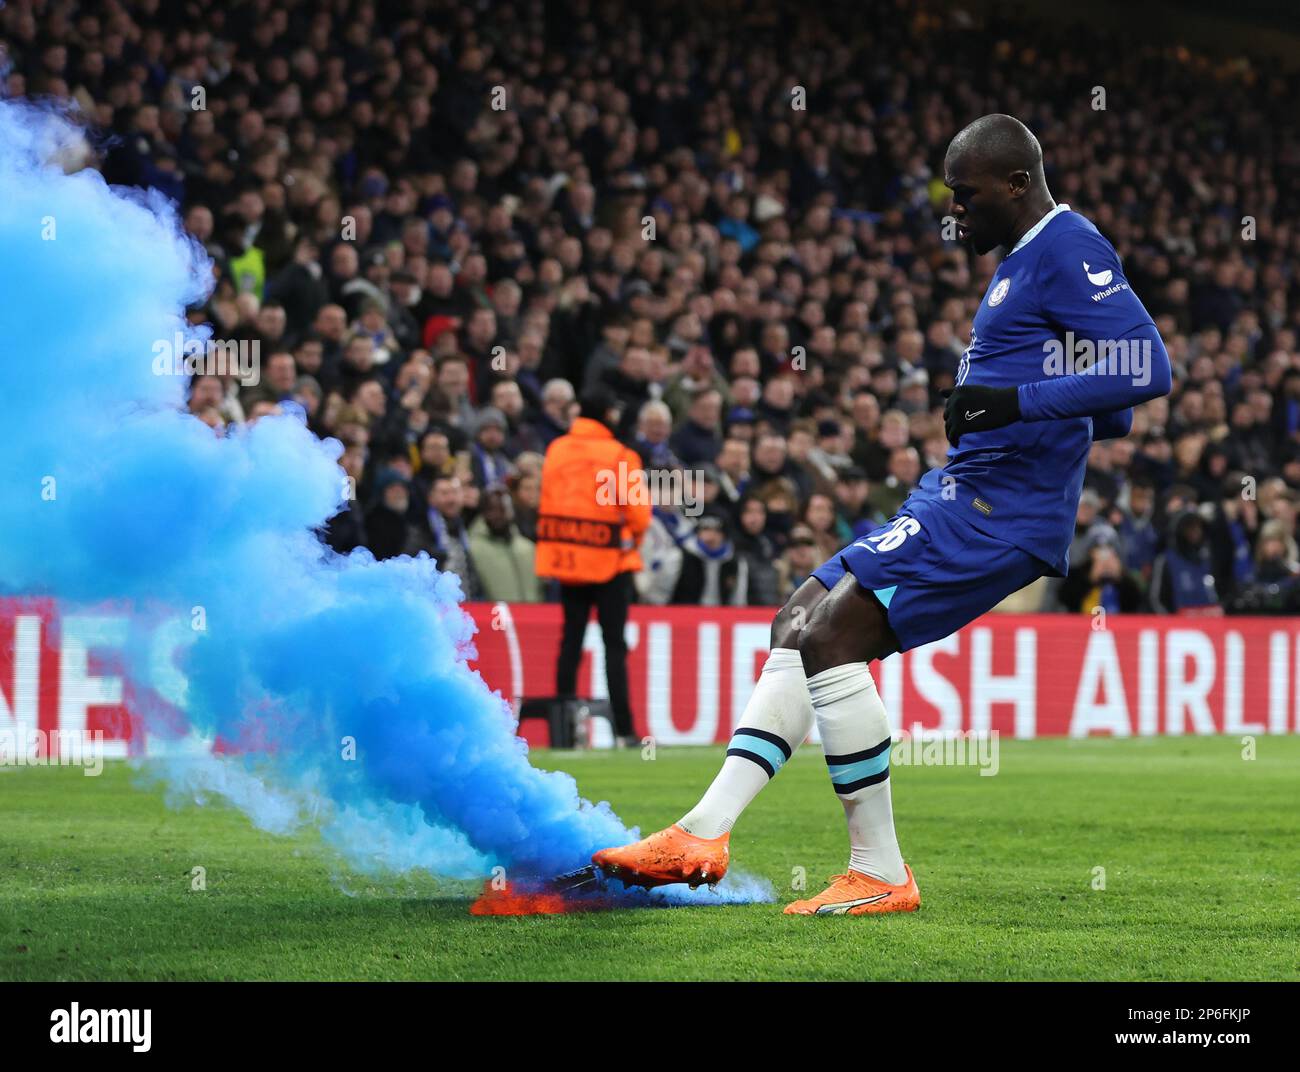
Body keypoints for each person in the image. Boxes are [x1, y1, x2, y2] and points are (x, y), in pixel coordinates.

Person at [592, 114, 1171, 914]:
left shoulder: (1066, 248)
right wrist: (1039, 409)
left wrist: (1013, 401)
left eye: (965, 198)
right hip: (958, 492)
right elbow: (1114, 413)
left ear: (1016, 183)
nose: (955, 213)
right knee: (797, 618)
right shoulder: (1022, 263)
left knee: (834, 635)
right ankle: (701, 831)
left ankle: (881, 872)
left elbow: (1148, 365)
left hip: (997, 512)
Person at [536, 387, 652, 747]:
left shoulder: (556, 449)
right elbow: (639, 513)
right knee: (613, 645)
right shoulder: (620, 454)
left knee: (570, 641)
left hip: (568, 560)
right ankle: (623, 730)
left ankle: (564, 730)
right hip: (609, 563)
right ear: (606, 413)